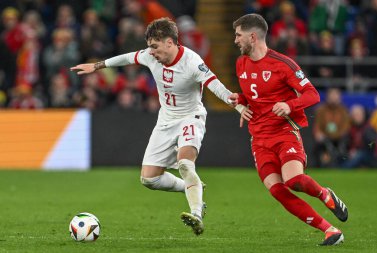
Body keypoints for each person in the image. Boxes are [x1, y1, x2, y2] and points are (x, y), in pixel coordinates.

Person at [71, 17, 241, 235]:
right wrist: (96, 66)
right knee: (149, 179)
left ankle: (197, 213)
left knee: (185, 164)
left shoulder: (192, 61)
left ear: (170, 42)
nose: (150, 52)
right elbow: (127, 57)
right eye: (150, 46)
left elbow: (214, 85)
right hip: (165, 121)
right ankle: (193, 186)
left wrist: (237, 106)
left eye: (154, 46)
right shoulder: (150, 57)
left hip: (191, 117)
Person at [230, 14, 348, 246]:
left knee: (293, 180)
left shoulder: (283, 64)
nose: (235, 40)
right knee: (276, 190)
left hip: (284, 133)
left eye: (238, 35)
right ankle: (330, 231)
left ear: (252, 37)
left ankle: (325, 195)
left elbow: (312, 94)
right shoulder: (240, 63)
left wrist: (289, 105)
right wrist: (241, 100)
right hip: (259, 138)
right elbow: (255, 95)